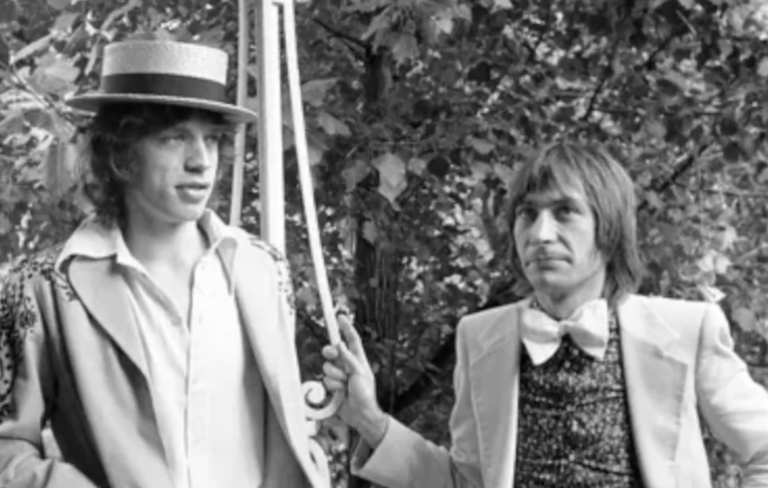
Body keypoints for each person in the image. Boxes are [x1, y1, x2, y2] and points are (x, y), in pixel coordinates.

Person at [322, 141, 768, 488]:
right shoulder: (480, 337)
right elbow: (465, 481)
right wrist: (370, 420)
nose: (541, 234)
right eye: (527, 215)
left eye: (565, 212)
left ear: (609, 228)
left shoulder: (687, 330)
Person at [0, 39, 324, 488]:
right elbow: (7, 448)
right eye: (175, 138)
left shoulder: (262, 268)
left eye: (210, 139)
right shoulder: (43, 286)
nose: (201, 161)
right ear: (120, 152)